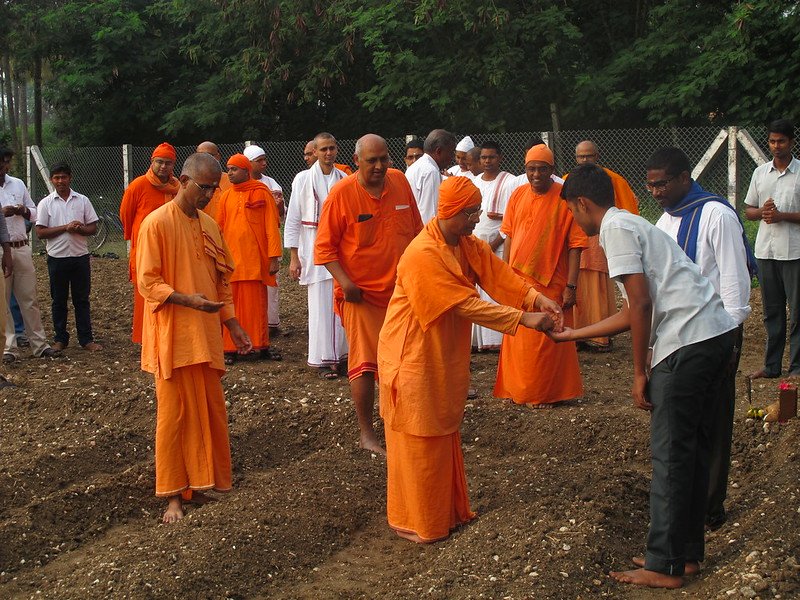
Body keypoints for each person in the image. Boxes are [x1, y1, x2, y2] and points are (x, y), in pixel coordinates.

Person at [553, 163, 737, 589]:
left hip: (686, 342)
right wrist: (574, 334)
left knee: (670, 455)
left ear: (582, 204)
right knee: (688, 452)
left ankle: (664, 565)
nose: (575, 225)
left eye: (572, 214)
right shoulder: (634, 223)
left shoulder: (615, 230)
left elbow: (640, 305)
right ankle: (683, 555)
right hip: (714, 335)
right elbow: (630, 310)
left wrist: (639, 372)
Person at [379, 176, 562, 543]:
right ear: (450, 213)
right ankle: (419, 522)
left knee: (442, 433)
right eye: (471, 213)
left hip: (440, 355)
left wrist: (534, 298)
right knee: (421, 436)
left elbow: (498, 275)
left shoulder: (465, 243)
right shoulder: (421, 254)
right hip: (411, 356)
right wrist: (523, 319)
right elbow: (463, 305)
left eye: (477, 211)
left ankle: (443, 513)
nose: (477, 219)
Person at [136, 152, 251, 524]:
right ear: (183, 182)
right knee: (174, 419)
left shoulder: (209, 224)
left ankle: (202, 483)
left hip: (206, 336)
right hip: (173, 338)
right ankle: (173, 496)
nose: (209, 195)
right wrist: (189, 301)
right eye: (204, 188)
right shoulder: (156, 224)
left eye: (214, 189)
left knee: (209, 412)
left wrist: (232, 323)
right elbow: (148, 283)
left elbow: (221, 281)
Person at [649, 147, 754, 531]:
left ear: (683, 178)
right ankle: (686, 506)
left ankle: (711, 505)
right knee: (683, 422)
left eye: (661, 184)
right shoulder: (663, 223)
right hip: (679, 336)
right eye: (651, 185)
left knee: (713, 417)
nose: (656, 192)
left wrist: (731, 335)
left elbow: (734, 279)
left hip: (716, 333)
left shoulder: (716, 214)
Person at [315, 134, 423, 453]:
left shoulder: (400, 182)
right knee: (364, 363)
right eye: (371, 160)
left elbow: (417, 233)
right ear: (357, 160)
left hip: (400, 293)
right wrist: (346, 283)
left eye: (383, 159)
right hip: (359, 295)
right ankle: (367, 433)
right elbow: (324, 248)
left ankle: (400, 421)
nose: (378, 166)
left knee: (404, 360)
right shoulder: (342, 193)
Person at [493, 144, 587, 407]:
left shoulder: (564, 198)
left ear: (552, 170)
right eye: (531, 169)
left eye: (542, 169)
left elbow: (576, 245)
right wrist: (505, 275)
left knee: (545, 340)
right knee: (519, 336)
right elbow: (508, 236)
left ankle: (545, 394)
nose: (536, 174)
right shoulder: (517, 194)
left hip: (552, 282)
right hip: (519, 281)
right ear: (525, 170)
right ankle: (517, 389)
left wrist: (571, 286)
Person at [286, 133, 348, 378]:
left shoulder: (344, 178)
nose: (328, 153)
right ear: (315, 151)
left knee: (341, 303)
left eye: (332, 148)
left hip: (340, 251)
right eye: (323, 149)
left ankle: (342, 357)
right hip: (313, 251)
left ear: (337, 150)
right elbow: (292, 220)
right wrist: (294, 257)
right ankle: (322, 360)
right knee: (320, 307)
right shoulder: (302, 179)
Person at [570, 140, 639, 351]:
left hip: (602, 239)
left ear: (597, 156)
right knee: (576, 287)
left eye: (588, 156)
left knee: (598, 288)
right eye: (581, 157)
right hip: (575, 242)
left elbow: (628, 210)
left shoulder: (613, 180)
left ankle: (601, 337)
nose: (584, 160)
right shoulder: (569, 181)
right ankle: (577, 334)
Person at [745, 118, 800, 378]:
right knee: (772, 312)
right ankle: (771, 366)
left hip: (794, 251)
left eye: (781, 141)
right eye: (772, 141)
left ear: (791, 142)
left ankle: (797, 367)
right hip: (766, 251)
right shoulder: (760, 173)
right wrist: (762, 212)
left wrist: (783, 216)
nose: (776, 146)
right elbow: (749, 210)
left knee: (797, 312)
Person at [215, 153, 282, 364]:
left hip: (254, 261)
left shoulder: (262, 193)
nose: (230, 173)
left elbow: (272, 226)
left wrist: (274, 257)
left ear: (246, 171)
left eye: (234, 169)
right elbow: (219, 228)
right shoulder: (225, 196)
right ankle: (230, 349)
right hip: (232, 262)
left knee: (256, 306)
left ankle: (261, 345)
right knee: (230, 306)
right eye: (229, 169)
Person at [0, 147, 59, 361]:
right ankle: (9, 348)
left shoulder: (17, 183)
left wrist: (21, 210)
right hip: (1, 248)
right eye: (2, 163)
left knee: (29, 298)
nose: (3, 167)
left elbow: (34, 212)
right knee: (2, 300)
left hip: (22, 246)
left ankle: (40, 345)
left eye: (5, 163)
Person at [35, 163, 102, 352]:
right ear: (51, 180)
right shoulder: (46, 203)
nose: (60, 181)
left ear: (70, 178)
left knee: (81, 299)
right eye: (56, 178)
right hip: (57, 258)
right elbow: (40, 232)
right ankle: (60, 339)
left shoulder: (82, 200)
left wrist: (79, 228)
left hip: (80, 257)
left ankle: (86, 339)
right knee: (58, 299)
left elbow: (93, 228)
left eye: (63, 177)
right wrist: (65, 227)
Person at [120, 142, 180, 344]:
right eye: (159, 162)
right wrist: (137, 237)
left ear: (174, 165)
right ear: (152, 162)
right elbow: (126, 216)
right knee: (145, 296)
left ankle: (166, 336)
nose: (163, 167)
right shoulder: (138, 185)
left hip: (171, 251)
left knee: (169, 293)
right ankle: (146, 339)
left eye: (168, 163)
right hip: (145, 251)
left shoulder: (177, 187)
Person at [470, 141, 520, 351]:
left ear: (500, 158)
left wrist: (493, 244)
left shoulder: (509, 182)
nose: (487, 161)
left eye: (491, 157)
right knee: (475, 293)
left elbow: (511, 220)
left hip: (497, 246)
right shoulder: (473, 182)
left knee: (494, 290)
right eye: (483, 158)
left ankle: (496, 341)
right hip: (474, 244)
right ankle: (477, 342)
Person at [244, 144, 283, 333]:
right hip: (246, 245)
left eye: (264, 159)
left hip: (268, 241)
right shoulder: (237, 186)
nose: (264, 163)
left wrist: (279, 205)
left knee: (271, 284)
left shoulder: (271, 183)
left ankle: (271, 323)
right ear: (249, 164)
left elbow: (279, 216)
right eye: (259, 161)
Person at [405, 129, 456, 223]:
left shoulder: (414, 167)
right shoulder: (431, 172)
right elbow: (430, 215)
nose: (452, 157)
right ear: (439, 151)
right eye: (451, 152)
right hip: (424, 233)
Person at [196, 141, 232, 219]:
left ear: (218, 157)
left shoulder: (231, 181)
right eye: (200, 156)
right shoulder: (191, 183)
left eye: (209, 155)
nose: (205, 159)